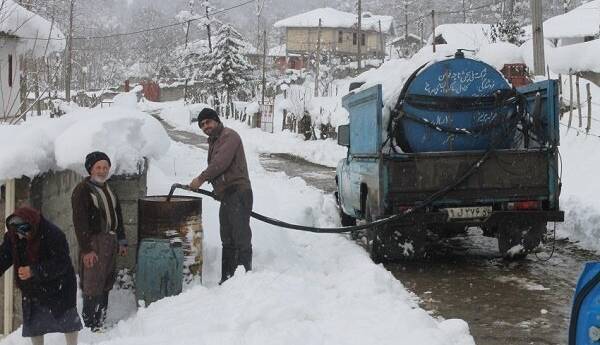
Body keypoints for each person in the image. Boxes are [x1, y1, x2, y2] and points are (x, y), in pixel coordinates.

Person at [1, 206, 82, 345]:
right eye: (17, 233)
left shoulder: (53, 235)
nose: (20, 236)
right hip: (33, 289)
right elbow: (4, 256)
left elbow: (62, 263)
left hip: (60, 287)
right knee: (36, 325)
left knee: (67, 322)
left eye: (23, 233)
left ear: (32, 226)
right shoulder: (13, 236)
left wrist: (34, 271)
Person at [189, 108, 253, 283]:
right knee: (227, 238)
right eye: (202, 125)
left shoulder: (228, 136)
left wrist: (200, 179)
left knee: (240, 238)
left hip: (239, 192)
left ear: (216, 120)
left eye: (208, 122)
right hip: (227, 196)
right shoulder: (214, 140)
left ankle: (244, 280)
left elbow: (220, 163)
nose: (205, 126)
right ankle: (227, 279)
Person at [71, 151, 128, 332]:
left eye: (105, 167)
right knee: (92, 283)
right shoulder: (83, 190)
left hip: (110, 241)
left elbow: (117, 215)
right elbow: (80, 222)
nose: (102, 171)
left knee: (106, 280)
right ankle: (90, 325)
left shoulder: (107, 187)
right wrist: (87, 249)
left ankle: (100, 320)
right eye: (98, 167)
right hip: (94, 242)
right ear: (90, 169)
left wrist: (122, 240)